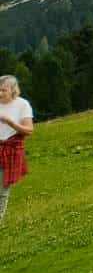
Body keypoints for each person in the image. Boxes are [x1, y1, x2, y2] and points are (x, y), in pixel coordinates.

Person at [0, 74, 34, 225]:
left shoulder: (22, 105)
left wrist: (10, 122)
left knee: (2, 190)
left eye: (3, 90)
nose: (0, 93)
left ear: (13, 90)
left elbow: (28, 130)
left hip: (11, 149)